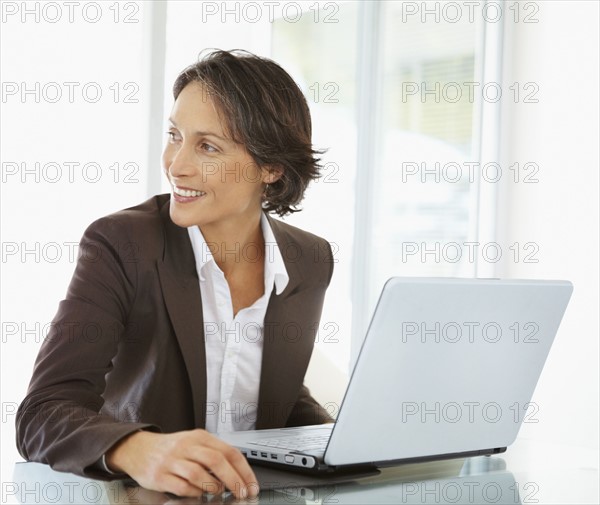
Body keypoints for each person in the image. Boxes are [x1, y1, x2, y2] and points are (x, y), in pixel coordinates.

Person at [16, 49, 335, 500]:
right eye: (174, 135)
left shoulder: (309, 259)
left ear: (272, 167)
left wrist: (343, 437)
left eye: (207, 146)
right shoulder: (122, 243)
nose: (176, 164)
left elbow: (272, 393)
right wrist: (135, 447)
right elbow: (42, 413)